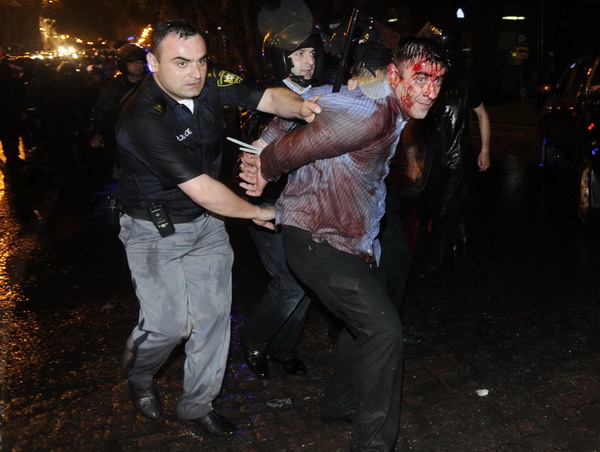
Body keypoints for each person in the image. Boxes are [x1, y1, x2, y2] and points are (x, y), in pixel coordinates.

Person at [239, 36, 447, 451]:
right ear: (394, 75)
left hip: (352, 239)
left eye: (438, 80)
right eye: (421, 78)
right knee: (384, 330)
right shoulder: (371, 116)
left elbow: (307, 99)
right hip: (318, 238)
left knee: (363, 325)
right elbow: (299, 145)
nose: (431, 91)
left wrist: (270, 133)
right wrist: (264, 162)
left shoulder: (379, 97)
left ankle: (339, 404)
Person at [115, 19, 320, 438]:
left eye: (202, 61)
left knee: (212, 322)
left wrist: (300, 107)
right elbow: (204, 190)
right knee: (168, 327)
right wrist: (256, 211)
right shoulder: (141, 117)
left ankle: (197, 405)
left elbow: (264, 96)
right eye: (181, 62)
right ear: (153, 63)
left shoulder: (206, 81)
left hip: (206, 227)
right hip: (155, 231)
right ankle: (138, 376)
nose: (195, 73)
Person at [240, 26, 325, 380]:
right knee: (288, 283)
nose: (309, 62)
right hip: (270, 206)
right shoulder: (262, 100)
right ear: (281, 57)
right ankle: (255, 341)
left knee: (305, 281)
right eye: (300, 54)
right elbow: (249, 160)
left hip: (306, 206)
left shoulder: (316, 95)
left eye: (312, 54)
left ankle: (284, 349)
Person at [417, 29, 491, 280]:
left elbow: (482, 113)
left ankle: (436, 261)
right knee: (435, 204)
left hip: (458, 157)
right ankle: (457, 227)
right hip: (431, 157)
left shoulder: (462, 79)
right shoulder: (425, 79)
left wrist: (485, 149)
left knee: (445, 209)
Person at [89, 43, 149, 181]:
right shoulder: (114, 87)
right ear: (124, 64)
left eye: (140, 61)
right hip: (123, 141)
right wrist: (98, 132)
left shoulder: (153, 83)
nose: (137, 65)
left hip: (148, 137)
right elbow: (103, 110)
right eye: (132, 62)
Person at [0, 61, 26, 169]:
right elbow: (21, 99)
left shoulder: (13, 84)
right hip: (12, 115)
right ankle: (13, 157)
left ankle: (11, 157)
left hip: (5, 115)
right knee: (12, 136)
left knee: (7, 137)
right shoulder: (14, 83)